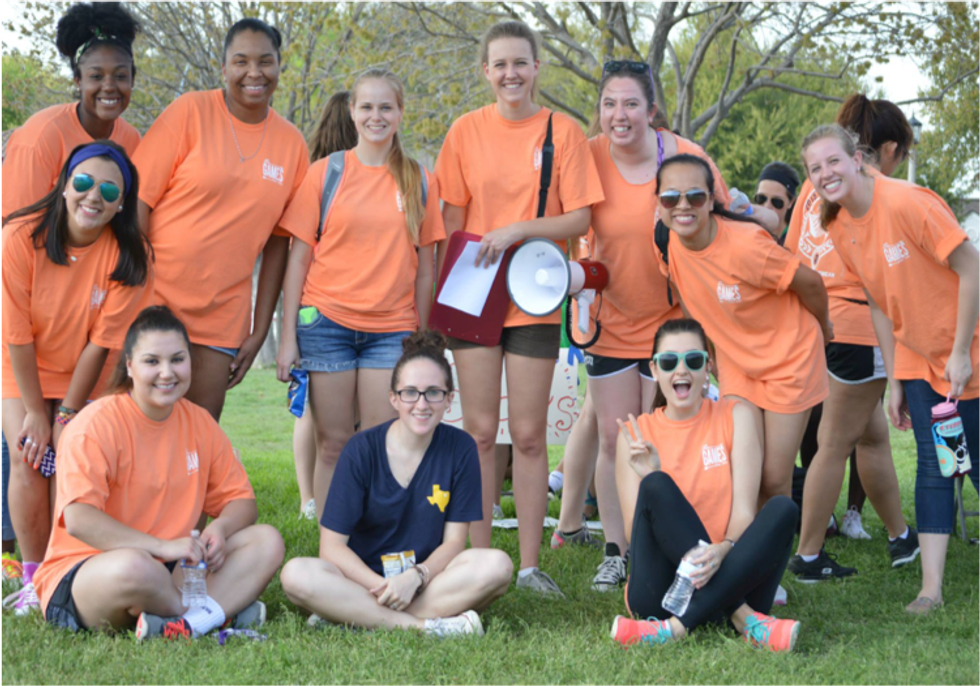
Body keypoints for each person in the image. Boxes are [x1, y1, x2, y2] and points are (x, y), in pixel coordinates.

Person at [434, 20, 605, 597]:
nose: (511, 74)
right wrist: (443, 296)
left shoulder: (564, 131)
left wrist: (517, 230)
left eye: (520, 63)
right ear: (486, 71)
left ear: (537, 68)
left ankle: (530, 566)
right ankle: (481, 560)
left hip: (535, 293)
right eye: (500, 64)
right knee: (480, 433)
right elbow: (451, 222)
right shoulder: (465, 130)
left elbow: (580, 217)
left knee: (530, 436)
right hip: (475, 293)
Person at [552, 60, 735, 595]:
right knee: (616, 438)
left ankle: (665, 543)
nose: (619, 114)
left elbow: (723, 221)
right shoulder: (586, 156)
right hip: (608, 320)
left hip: (674, 323)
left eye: (631, 103)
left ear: (651, 109)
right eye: (609, 103)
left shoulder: (684, 156)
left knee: (666, 435)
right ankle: (617, 550)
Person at [800, 124, 980, 615]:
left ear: (857, 159)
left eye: (833, 161)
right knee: (937, 465)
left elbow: (972, 269)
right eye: (815, 168)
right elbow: (879, 303)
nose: (825, 173)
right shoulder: (838, 225)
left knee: (975, 462)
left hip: (968, 353)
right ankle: (930, 590)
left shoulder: (907, 202)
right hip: (920, 361)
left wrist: (960, 352)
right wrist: (896, 377)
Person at [30, 306, 283, 639]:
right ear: (130, 366)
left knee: (267, 541)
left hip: (170, 568)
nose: (167, 372)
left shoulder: (200, 423)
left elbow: (242, 502)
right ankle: (212, 614)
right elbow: (79, 519)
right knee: (136, 567)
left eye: (177, 359)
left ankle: (182, 624)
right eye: (152, 361)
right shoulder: (94, 426)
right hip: (89, 573)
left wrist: (220, 529)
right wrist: (162, 547)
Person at [277, 69, 445, 519]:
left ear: (401, 112)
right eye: (366, 107)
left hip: (391, 330)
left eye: (386, 107)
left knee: (379, 442)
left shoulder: (420, 181)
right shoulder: (325, 174)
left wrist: (423, 338)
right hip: (325, 324)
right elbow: (298, 261)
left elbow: (425, 270)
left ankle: (372, 538)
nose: (376, 116)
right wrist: (288, 337)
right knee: (333, 443)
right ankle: (331, 544)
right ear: (352, 112)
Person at [1, 141, 152, 616]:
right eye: (84, 182)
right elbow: (16, 335)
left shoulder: (129, 256)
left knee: (70, 460)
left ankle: (61, 570)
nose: (93, 196)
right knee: (28, 456)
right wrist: (34, 413)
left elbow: (100, 346)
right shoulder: (18, 237)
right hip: (19, 364)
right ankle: (32, 578)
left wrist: (66, 414)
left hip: (85, 373)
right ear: (64, 185)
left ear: (122, 203)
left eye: (109, 190)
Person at [133, 17, 309, 421]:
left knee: (198, 432)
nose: (254, 73)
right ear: (224, 67)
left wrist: (260, 329)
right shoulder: (190, 111)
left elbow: (279, 244)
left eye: (265, 61)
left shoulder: (292, 145)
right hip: (154, 300)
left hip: (221, 316)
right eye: (241, 62)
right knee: (140, 427)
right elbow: (138, 202)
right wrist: (136, 288)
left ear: (279, 66)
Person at [281, 331, 512, 637]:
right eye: (410, 392)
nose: (421, 404)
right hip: (363, 582)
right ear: (394, 398)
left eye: (433, 392)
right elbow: (332, 548)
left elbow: (454, 543)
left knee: (497, 566)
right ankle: (423, 627)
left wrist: (415, 577)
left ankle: (351, 615)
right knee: (296, 574)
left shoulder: (461, 448)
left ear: (449, 399)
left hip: (426, 581)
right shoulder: (361, 449)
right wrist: (385, 588)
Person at [610, 319, 801, 652]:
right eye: (669, 361)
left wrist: (722, 550)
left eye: (693, 360)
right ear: (654, 369)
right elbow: (632, 531)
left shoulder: (736, 415)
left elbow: (744, 512)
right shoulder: (635, 435)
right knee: (655, 484)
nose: (681, 370)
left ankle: (673, 629)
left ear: (707, 366)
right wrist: (653, 475)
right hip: (661, 592)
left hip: (731, 571)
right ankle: (744, 618)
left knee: (783, 509)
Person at [653, 154, 832, 508]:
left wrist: (824, 328)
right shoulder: (670, 242)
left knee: (774, 478)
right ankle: (743, 539)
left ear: (711, 200)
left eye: (695, 197)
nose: (683, 206)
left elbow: (811, 283)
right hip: (737, 363)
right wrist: (711, 357)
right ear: (659, 204)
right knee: (743, 469)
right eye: (671, 198)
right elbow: (688, 296)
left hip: (790, 360)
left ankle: (775, 540)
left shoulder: (747, 245)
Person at [788, 98, 917, 583]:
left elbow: (792, 255)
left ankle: (901, 536)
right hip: (858, 328)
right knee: (835, 442)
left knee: (871, 435)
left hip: (818, 323)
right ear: (888, 150)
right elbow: (887, 277)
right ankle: (808, 555)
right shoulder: (877, 191)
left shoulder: (813, 185)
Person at [1, 0, 142, 224]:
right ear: (78, 80)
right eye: (96, 76)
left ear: (132, 80)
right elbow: (13, 225)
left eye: (120, 76)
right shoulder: (41, 136)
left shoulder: (132, 140)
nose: (109, 86)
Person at [292, 90, 360, 522]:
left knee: (309, 412)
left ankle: (308, 499)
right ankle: (316, 499)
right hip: (326, 305)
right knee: (335, 421)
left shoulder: (314, 170)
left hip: (309, 307)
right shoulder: (330, 176)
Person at [754, 162, 800, 244]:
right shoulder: (747, 235)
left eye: (776, 202)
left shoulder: (798, 243)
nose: (767, 206)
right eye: (761, 198)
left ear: (791, 202)